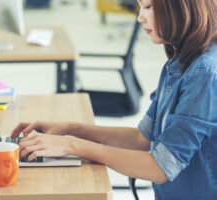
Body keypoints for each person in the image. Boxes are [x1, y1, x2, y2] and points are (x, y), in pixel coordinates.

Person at [11, 0, 217, 199]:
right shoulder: (181, 62)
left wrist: (71, 146)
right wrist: (70, 128)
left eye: (148, 7)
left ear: (179, 6)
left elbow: (161, 167)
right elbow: (142, 138)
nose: (139, 17)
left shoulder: (204, 74)